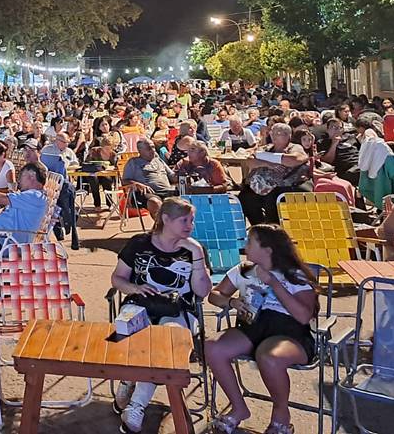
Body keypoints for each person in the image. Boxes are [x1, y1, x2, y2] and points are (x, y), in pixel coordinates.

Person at [110, 198, 211, 434]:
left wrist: (197, 254)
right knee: (132, 334)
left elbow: (202, 292)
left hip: (179, 309)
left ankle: (136, 404)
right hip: (140, 303)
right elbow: (117, 278)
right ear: (165, 219)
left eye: (192, 220)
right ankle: (129, 381)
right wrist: (135, 288)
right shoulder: (139, 243)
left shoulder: (194, 249)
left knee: (164, 344)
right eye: (184, 220)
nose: (190, 226)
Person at [205, 225, 318, 434]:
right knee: (212, 347)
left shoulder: (294, 275)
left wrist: (274, 283)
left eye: (250, 241)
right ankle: (239, 408)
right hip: (252, 326)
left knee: (268, 357)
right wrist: (230, 302)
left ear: (268, 249)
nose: (245, 245)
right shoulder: (244, 270)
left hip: (288, 331)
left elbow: (304, 316)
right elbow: (214, 294)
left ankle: (281, 415)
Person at [237, 123, 309, 225]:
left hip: (283, 186)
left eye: (278, 133)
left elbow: (294, 159)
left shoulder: (294, 147)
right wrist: (268, 164)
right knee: (245, 197)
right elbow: (250, 160)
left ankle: (273, 228)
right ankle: (259, 226)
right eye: (272, 133)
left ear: (288, 135)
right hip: (260, 186)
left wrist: (264, 157)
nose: (274, 136)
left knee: (272, 199)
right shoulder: (267, 148)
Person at [122, 139, 178, 218]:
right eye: (149, 148)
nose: (153, 150)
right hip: (148, 193)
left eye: (153, 147)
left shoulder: (159, 160)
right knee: (154, 202)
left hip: (167, 191)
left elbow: (173, 177)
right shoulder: (133, 162)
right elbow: (124, 181)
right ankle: (162, 224)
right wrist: (137, 184)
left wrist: (182, 171)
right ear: (140, 150)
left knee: (185, 197)